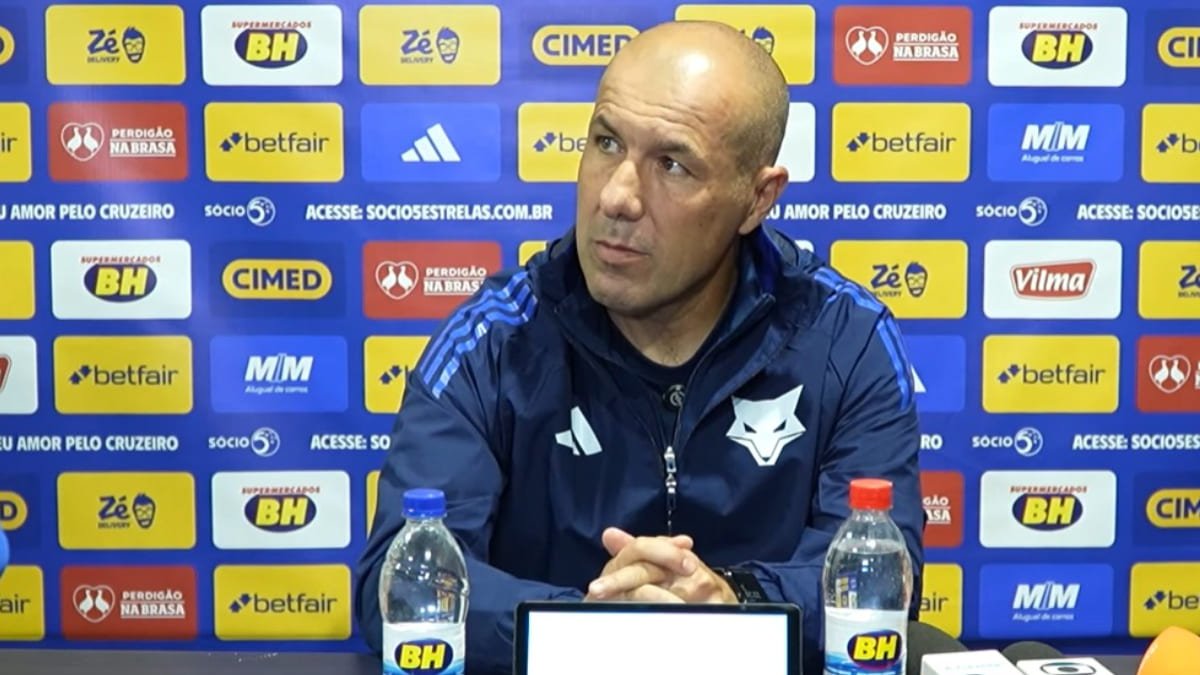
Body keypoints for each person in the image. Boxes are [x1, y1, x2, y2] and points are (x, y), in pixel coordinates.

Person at [356, 19, 924, 675]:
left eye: (673, 164)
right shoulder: (493, 341)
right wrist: (600, 625)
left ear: (756, 198)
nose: (618, 196)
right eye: (606, 142)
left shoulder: (845, 339)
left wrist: (733, 602)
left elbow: (883, 577)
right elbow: (397, 583)